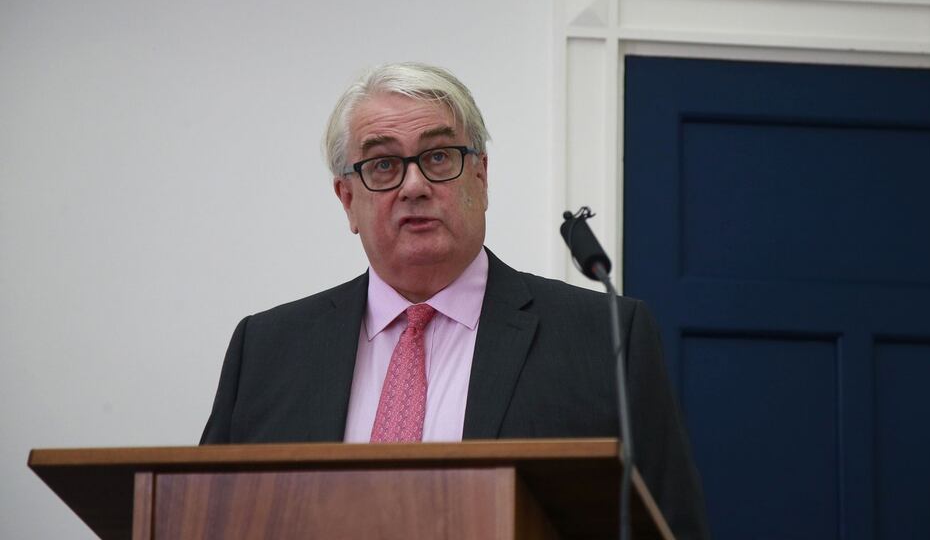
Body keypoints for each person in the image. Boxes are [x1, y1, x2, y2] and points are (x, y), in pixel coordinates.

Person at [201, 62, 709, 539]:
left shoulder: (604, 337)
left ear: (481, 177)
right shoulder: (267, 349)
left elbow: (670, 525)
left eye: (438, 157)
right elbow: (203, 515)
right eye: (382, 164)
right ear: (347, 199)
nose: (415, 186)